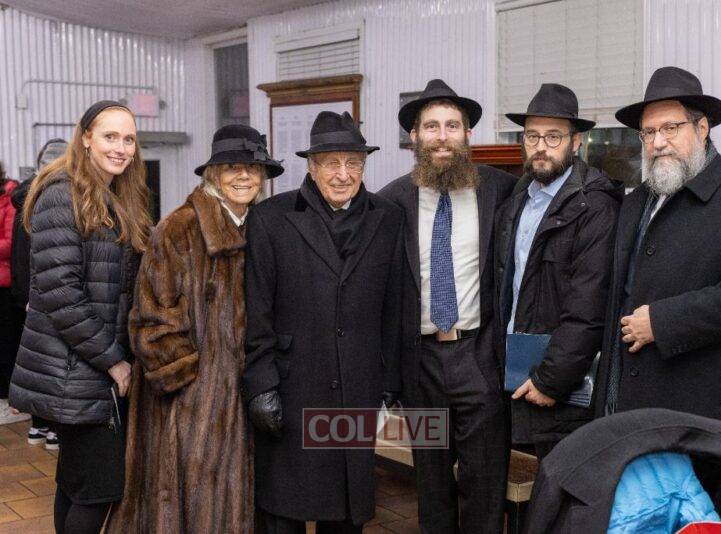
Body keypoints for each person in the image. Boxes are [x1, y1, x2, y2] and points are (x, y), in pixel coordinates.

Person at [594, 66, 721, 510]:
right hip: (632, 416)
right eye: (649, 133)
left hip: (706, 423)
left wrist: (661, 322)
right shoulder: (634, 204)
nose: (658, 142)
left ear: (702, 129)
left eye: (671, 128)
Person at [105, 125, 283, 533]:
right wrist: (195, 389)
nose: (244, 176)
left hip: (246, 396)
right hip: (190, 407)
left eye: (253, 168)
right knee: (189, 506)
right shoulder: (180, 228)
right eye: (232, 167)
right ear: (213, 174)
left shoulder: (261, 226)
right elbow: (151, 320)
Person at [242, 111, 403, 533]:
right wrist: (261, 385)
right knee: (283, 512)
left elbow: (394, 306)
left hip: (357, 389)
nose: (343, 174)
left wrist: (390, 381)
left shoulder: (388, 218)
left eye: (353, 163)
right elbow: (256, 312)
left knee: (346, 514)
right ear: (311, 167)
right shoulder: (271, 218)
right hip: (291, 389)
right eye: (332, 163)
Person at [8, 100, 151, 534]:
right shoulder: (62, 193)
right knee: (101, 489)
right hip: (76, 370)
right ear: (86, 137)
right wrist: (114, 360)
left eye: (129, 139)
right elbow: (61, 294)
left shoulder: (113, 194)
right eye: (110, 136)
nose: (121, 148)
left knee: (77, 483)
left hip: (84, 365)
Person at [380, 79, 515, 533]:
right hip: (421, 366)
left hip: (480, 358)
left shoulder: (502, 191)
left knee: (485, 483)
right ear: (414, 136)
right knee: (432, 486)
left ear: (468, 134)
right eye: (432, 126)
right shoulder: (390, 203)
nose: (442, 137)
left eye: (452, 126)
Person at [496, 83, 622, 458]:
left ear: (575, 142)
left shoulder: (594, 206)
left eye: (553, 136)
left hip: (561, 389)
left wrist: (551, 380)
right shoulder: (520, 197)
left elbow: (589, 308)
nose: (541, 146)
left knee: (559, 485)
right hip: (515, 373)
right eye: (532, 135)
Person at [10, 138, 68, 447]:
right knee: (56, 361)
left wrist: (24, 292)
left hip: (28, 292)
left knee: (37, 359)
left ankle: (38, 425)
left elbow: (21, 251)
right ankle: (55, 428)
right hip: (48, 291)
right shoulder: (57, 198)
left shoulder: (25, 197)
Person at [0, 161, 25, 425]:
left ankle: (9, 399)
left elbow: (9, 245)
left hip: (5, 285)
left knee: (7, 344)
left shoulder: (9, 200)